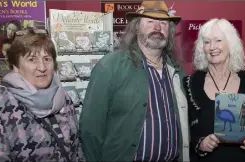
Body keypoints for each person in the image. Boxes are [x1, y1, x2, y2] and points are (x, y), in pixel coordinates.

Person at [79, 1, 190, 162]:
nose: (157, 28)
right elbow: (90, 129)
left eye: (163, 23)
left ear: (170, 31)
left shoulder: (176, 71)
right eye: (150, 21)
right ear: (136, 26)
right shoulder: (110, 66)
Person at [0, 28, 85, 161]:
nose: (42, 67)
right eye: (32, 59)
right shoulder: (0, 102)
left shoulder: (63, 97)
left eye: (47, 59)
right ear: (16, 66)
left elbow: (77, 149)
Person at [184, 18, 245, 162]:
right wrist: (200, 144)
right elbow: (183, 131)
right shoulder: (189, 84)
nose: (212, 47)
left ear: (231, 44)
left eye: (218, 40)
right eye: (207, 42)